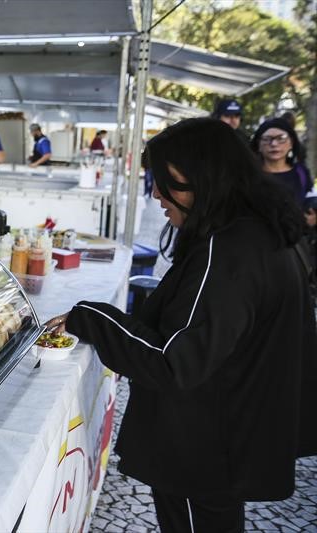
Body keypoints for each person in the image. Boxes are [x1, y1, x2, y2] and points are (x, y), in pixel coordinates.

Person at [45, 118, 316, 532]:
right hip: (233, 435)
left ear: (206, 179)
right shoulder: (266, 231)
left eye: (166, 182)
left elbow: (174, 361)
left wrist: (91, 316)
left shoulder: (229, 250)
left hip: (204, 445)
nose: (155, 194)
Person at [251, 117, 313, 207]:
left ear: (291, 143)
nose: (274, 144)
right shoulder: (249, 175)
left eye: (281, 138)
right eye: (267, 138)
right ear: (258, 145)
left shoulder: (301, 172)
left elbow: (310, 202)